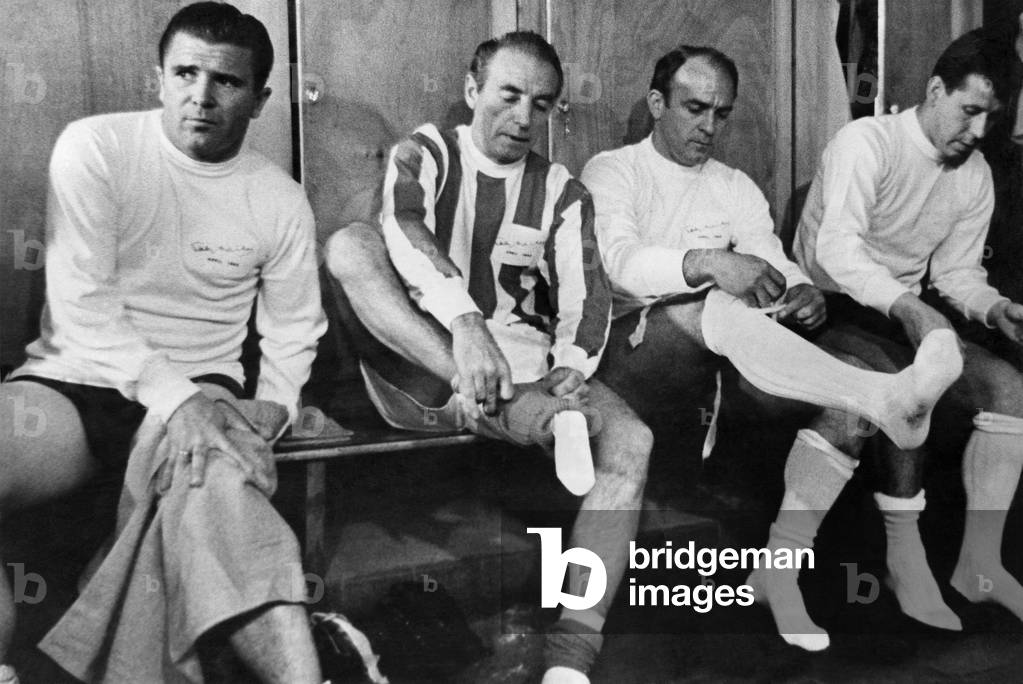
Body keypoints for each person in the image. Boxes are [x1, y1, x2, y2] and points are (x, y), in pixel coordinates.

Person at [581, 45, 964, 652]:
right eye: (694, 108)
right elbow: (619, 265)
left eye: (722, 114)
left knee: (848, 413)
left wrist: (801, 289)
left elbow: (771, 258)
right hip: (632, 365)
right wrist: (708, 261)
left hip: (720, 370)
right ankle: (879, 394)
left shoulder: (732, 185)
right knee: (711, 301)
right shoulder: (612, 170)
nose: (709, 127)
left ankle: (779, 570)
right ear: (657, 104)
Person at [0, 3, 327, 682]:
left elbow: (294, 328)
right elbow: (81, 307)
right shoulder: (95, 146)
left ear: (261, 98)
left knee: (223, 504)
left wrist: (277, 405)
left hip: (204, 384)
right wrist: (175, 402)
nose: (200, 97)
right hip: (77, 382)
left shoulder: (279, 197)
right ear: (158, 77)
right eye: (184, 73)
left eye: (226, 83)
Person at [326, 31, 651, 684]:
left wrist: (575, 363)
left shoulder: (561, 189)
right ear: (473, 92)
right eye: (508, 95)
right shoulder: (426, 154)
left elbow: (587, 290)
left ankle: (571, 657)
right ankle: (538, 420)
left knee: (633, 440)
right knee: (348, 245)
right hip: (430, 361)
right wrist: (465, 322)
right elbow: (405, 230)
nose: (523, 116)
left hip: (530, 369)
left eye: (541, 102)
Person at [793, 27, 1023, 625]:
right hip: (826, 307)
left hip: (902, 312)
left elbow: (956, 273)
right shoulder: (864, 141)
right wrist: (911, 309)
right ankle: (905, 558)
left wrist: (993, 307)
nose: (976, 133)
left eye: (990, 120)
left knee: (1011, 389)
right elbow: (835, 252)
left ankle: (981, 565)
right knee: (904, 385)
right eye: (969, 111)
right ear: (935, 88)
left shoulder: (974, 174)